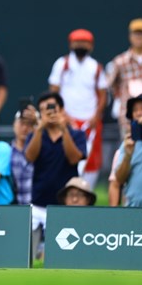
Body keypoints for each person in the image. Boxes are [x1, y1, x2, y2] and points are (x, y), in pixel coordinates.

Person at [24, 92, 87, 258]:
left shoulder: (77, 135)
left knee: (62, 257)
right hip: (38, 202)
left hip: (65, 206)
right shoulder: (35, 134)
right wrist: (40, 128)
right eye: (44, 110)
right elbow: (30, 157)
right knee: (27, 256)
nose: (49, 113)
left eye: (52, 108)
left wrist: (63, 128)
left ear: (62, 110)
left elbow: (74, 159)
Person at [48, 29, 108, 189]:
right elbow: (53, 91)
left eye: (85, 42)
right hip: (66, 121)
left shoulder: (96, 67)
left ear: (91, 46)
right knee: (63, 155)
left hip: (91, 123)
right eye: (77, 42)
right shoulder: (62, 64)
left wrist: (96, 116)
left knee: (91, 160)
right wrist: (63, 115)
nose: (81, 45)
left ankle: (87, 193)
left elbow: (103, 95)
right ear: (71, 44)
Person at [10, 109, 37, 205]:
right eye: (21, 123)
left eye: (29, 124)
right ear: (14, 125)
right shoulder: (6, 151)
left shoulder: (42, 151)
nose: (25, 128)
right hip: (14, 208)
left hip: (38, 207)